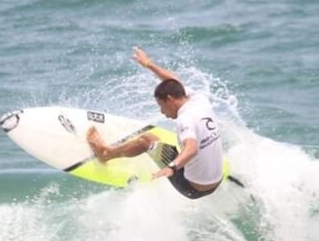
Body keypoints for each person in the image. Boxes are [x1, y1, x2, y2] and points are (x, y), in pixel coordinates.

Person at [86, 48, 224, 199]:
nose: (162, 112)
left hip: (192, 187)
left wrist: (171, 168)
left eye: (161, 106)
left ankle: (106, 154)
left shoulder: (185, 119)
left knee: (147, 140)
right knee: (185, 143)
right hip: (217, 180)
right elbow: (173, 81)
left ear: (170, 99)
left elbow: (191, 149)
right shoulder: (198, 99)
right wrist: (147, 63)